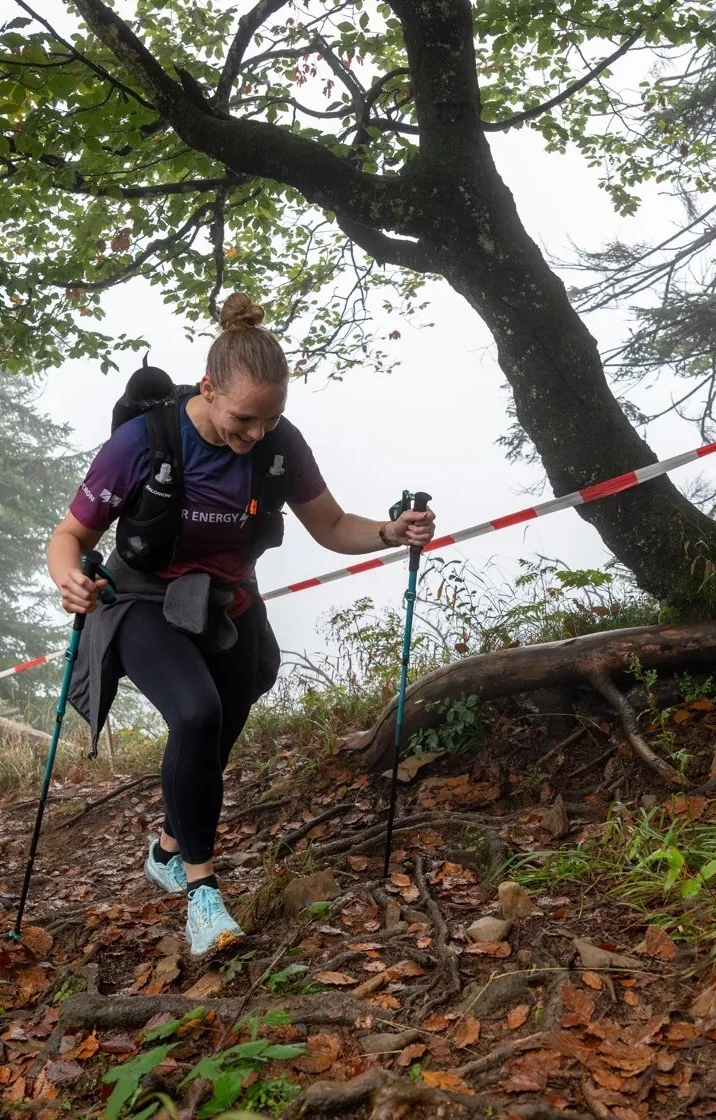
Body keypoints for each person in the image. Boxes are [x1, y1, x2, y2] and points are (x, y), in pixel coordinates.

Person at [46, 293, 436, 956]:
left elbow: (334, 525)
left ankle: (170, 846)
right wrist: (70, 579)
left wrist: (391, 531)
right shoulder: (141, 443)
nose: (255, 434)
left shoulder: (278, 444)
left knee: (221, 722)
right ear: (208, 389)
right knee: (195, 716)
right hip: (141, 600)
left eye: (271, 419)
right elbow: (70, 534)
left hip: (228, 602)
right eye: (244, 419)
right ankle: (203, 896)